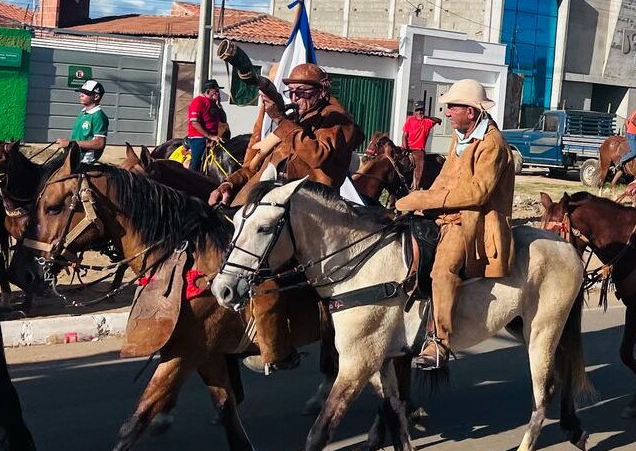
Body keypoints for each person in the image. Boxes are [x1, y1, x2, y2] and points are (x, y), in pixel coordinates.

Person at [394, 79, 513, 369]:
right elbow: (446, 177)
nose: (446, 113)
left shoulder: (492, 145)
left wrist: (425, 201)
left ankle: (440, 344)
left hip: (472, 219)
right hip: (446, 211)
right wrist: (422, 199)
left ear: (471, 112)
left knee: (442, 271)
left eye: (452, 107)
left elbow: (478, 193)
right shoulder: (459, 137)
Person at [209, 63, 361, 206]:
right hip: (260, 202)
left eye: (301, 91)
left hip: (304, 210)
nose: (294, 98)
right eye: (291, 92)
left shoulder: (336, 117)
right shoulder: (295, 119)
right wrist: (229, 183)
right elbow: (253, 166)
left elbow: (318, 156)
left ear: (321, 92)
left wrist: (281, 120)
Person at [58, 79, 109, 165]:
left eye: (86, 93)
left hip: (84, 160)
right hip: (74, 155)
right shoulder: (83, 112)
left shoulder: (98, 116)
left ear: (96, 97)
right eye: (81, 92)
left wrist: (70, 143)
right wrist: (68, 143)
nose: (81, 95)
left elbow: (99, 143)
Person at [185, 79, 227, 172]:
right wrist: (210, 136)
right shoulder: (198, 101)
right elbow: (194, 122)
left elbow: (223, 120)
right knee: (196, 162)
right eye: (216, 90)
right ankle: (190, 177)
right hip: (199, 137)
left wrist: (219, 105)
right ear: (208, 91)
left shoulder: (214, 104)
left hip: (214, 137)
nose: (218, 93)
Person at [400, 103, 442, 190]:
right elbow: (404, 135)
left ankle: (415, 187)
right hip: (407, 147)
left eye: (421, 110)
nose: (419, 112)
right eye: (417, 110)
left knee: (420, 163)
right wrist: (405, 147)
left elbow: (439, 120)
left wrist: (427, 117)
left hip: (418, 149)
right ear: (414, 111)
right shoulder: (410, 120)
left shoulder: (427, 122)